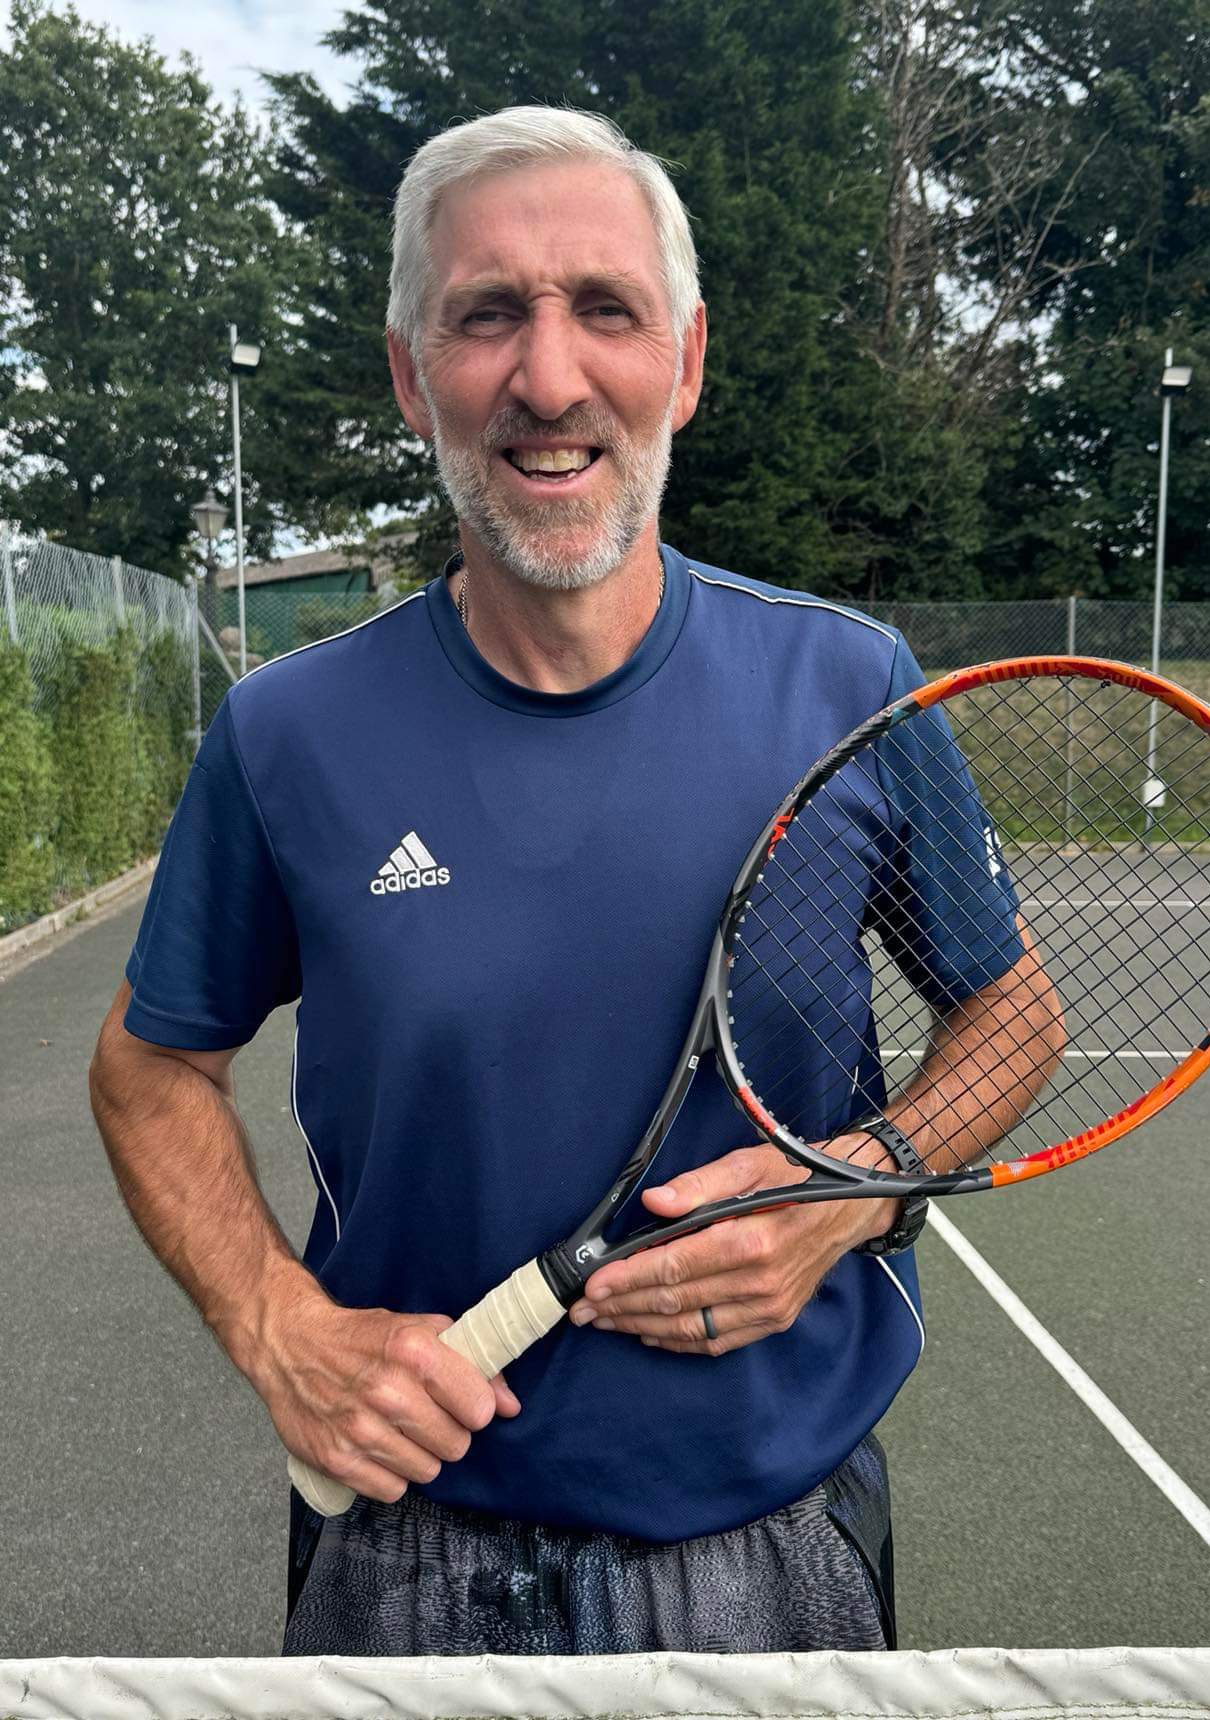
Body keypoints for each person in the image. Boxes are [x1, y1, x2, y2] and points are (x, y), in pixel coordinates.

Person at [89, 106, 1058, 1657]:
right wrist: (279, 1326)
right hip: (396, 1570)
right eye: (486, 316)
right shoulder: (286, 734)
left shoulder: (853, 688)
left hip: (775, 1564)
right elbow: (150, 1069)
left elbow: (1011, 1013)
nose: (548, 379)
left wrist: (850, 1191)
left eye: (603, 309)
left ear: (681, 362)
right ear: (415, 374)